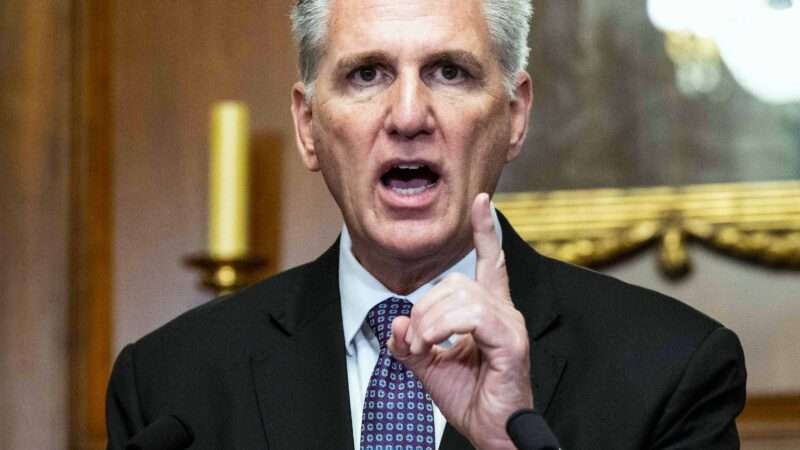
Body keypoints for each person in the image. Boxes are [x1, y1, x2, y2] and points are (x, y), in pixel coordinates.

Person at [106, 0, 747, 449]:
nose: (409, 114)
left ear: (515, 115)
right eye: (367, 73)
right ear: (308, 127)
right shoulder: (170, 384)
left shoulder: (671, 372)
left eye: (449, 71)